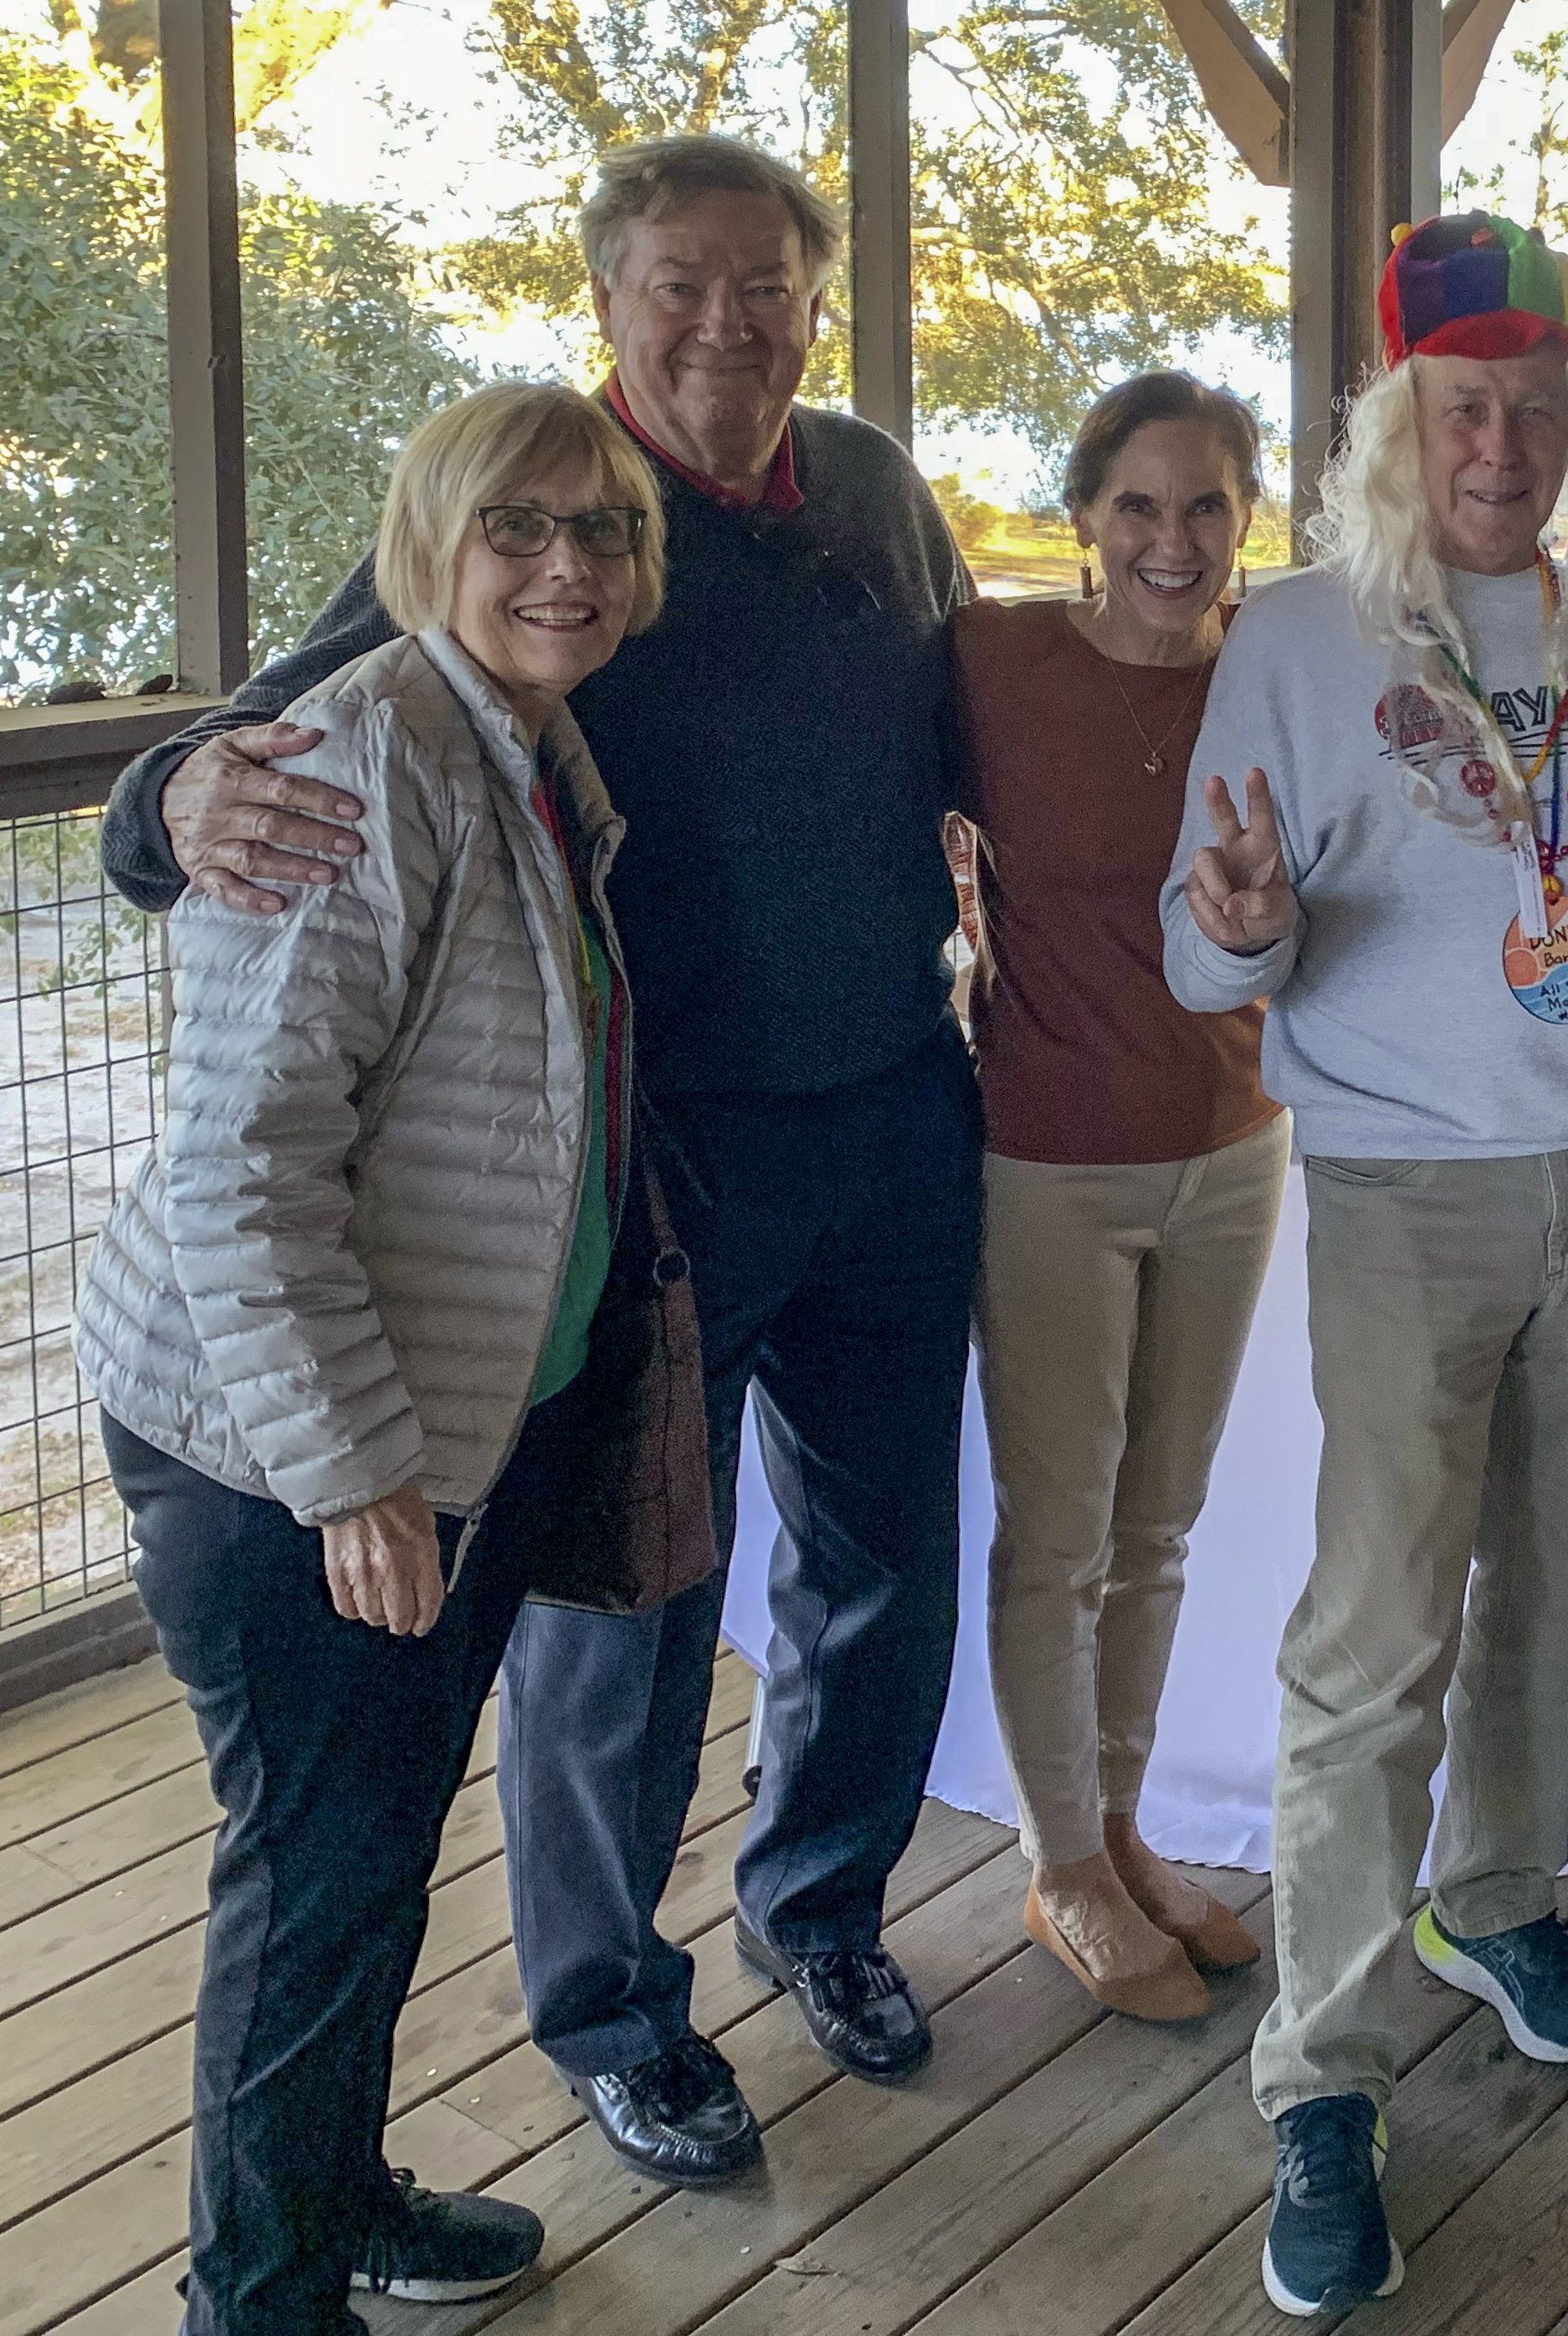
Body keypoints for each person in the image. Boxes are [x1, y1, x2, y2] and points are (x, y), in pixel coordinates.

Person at [96, 133, 978, 2182]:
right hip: (647, 1162)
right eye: (679, 281)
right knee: (629, 1599)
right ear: (608, 302)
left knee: (878, 1560)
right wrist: (157, 801)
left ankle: (820, 1904)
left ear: (811, 300)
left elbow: (951, 728)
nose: (724, 322)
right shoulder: (537, 505)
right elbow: (283, 724)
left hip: (890, 1117)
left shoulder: (868, 492)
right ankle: (608, 2003)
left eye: (763, 282)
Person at [1160, 213, 1568, 2319]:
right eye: (1464, 406)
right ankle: (1320, 2072)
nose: (1502, 440)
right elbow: (1202, 946)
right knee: (1373, 1633)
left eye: (1538, 406)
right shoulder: (1294, 636)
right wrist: (1248, 917)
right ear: (1397, 421)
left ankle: (1496, 1891)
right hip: (1400, 1190)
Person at [74, 381, 672, 2331]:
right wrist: (347, 1472)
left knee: (369, 1857)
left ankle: (329, 2192)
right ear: (427, 540)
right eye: (518, 525)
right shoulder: (355, 761)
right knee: (316, 1874)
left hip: (448, 1421)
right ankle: (256, 2288)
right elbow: (246, 1164)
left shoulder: (517, 737)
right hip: (289, 1452)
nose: (563, 564)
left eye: (599, 530)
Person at [953, 372, 1280, 2021]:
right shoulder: (996, 665)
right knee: (1058, 1536)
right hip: (1046, 1158)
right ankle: (1060, 1861)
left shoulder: (1274, 676)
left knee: (1156, 1530)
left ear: (1247, 520)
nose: (1172, 540)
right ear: (1082, 518)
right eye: (1138, 506)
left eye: (1205, 506)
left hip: (1234, 1144)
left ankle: (1125, 1826)